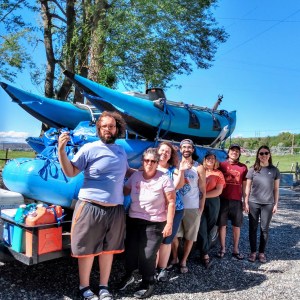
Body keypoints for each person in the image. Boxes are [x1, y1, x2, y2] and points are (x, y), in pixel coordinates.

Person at [58, 111, 133, 300]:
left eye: (112, 126)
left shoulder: (121, 151)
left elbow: (126, 172)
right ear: (99, 129)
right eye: (105, 126)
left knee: (109, 250)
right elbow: (71, 171)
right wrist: (61, 151)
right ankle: (84, 287)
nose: (108, 129)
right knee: (87, 250)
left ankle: (104, 287)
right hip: (91, 207)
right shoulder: (90, 148)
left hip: (115, 209)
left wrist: (148, 173)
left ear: (117, 129)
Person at [119, 148, 176, 299]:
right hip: (134, 219)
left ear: (157, 163)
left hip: (155, 222)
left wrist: (169, 224)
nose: (149, 164)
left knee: (147, 254)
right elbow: (124, 191)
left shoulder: (164, 178)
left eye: (153, 161)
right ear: (142, 162)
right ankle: (129, 275)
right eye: (146, 160)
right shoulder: (136, 176)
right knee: (130, 252)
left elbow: (171, 202)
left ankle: (148, 282)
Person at [170, 139, 206, 274]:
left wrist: (201, 207)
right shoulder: (176, 165)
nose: (186, 149)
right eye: (183, 147)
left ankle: (183, 260)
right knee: (174, 235)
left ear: (192, 150)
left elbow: (203, 189)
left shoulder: (199, 167)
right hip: (177, 205)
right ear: (180, 149)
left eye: (189, 147)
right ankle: (174, 257)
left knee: (190, 236)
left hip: (192, 206)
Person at [155, 141, 189, 282]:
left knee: (166, 240)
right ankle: (151, 268)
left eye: (167, 152)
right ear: (157, 151)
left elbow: (177, 186)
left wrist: (181, 171)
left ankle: (162, 269)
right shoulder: (150, 166)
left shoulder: (173, 170)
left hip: (174, 209)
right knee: (155, 240)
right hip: (155, 210)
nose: (164, 153)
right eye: (162, 150)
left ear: (170, 155)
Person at [244, 145, 280, 263]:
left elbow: (276, 189)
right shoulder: (252, 169)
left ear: (269, 155)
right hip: (253, 203)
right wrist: (246, 202)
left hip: (268, 204)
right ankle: (253, 252)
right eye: (261, 153)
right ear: (258, 156)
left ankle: (261, 253)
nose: (263, 155)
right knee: (252, 228)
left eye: (266, 153)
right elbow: (247, 188)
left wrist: (275, 204)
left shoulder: (274, 170)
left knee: (264, 229)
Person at [217, 144, 248, 259]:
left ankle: (235, 249)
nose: (234, 152)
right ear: (228, 152)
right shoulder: (221, 165)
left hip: (236, 200)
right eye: (232, 150)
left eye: (237, 151)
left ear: (239, 153)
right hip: (223, 199)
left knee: (236, 226)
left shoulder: (243, 167)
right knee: (222, 225)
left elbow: (244, 187)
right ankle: (222, 248)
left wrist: (245, 201)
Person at [198, 151, 225, 268]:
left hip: (213, 202)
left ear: (215, 161)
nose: (210, 160)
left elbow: (218, 191)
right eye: (208, 158)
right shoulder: (200, 171)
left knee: (210, 227)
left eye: (212, 158)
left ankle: (204, 250)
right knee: (201, 227)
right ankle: (205, 254)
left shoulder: (218, 173)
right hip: (199, 202)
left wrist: (203, 195)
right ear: (204, 160)